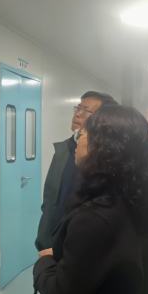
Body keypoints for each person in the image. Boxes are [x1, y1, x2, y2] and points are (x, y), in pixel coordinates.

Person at [34, 105, 148, 294]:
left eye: (83, 134)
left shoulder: (94, 219)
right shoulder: (135, 201)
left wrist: (44, 262)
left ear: (103, 147)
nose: (77, 141)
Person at [35, 91, 118, 252]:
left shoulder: (106, 160)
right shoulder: (63, 150)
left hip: (80, 245)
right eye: (78, 108)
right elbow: (50, 196)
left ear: (102, 120)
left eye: (86, 111)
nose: (78, 114)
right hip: (49, 240)